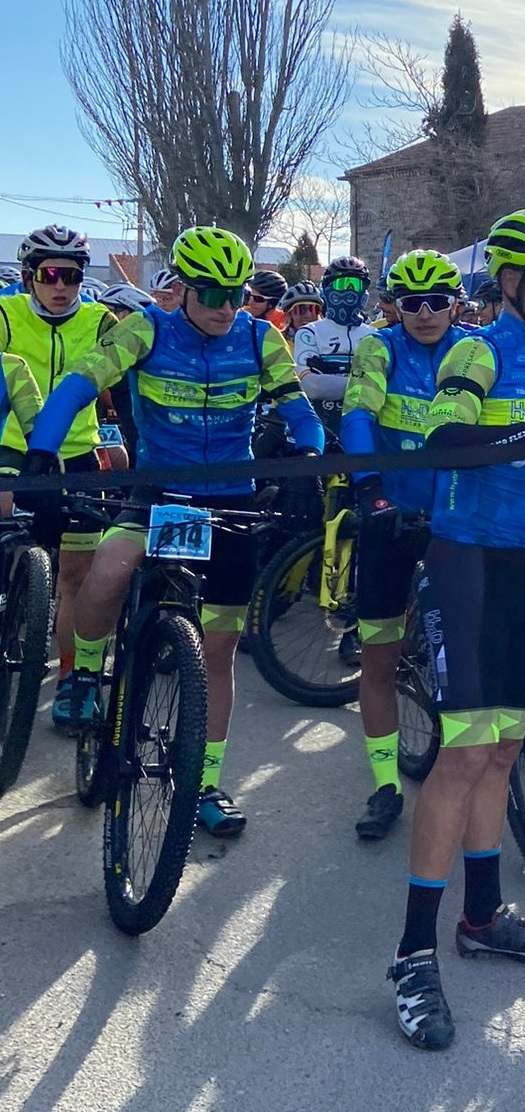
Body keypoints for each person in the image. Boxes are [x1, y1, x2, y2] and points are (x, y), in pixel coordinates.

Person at [386, 208, 525, 1052]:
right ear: (512, 282)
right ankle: (412, 952)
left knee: (508, 750)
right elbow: (445, 435)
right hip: (467, 563)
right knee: (465, 753)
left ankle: (481, 915)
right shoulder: (479, 347)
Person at [18, 225, 324, 836]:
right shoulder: (147, 329)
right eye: (210, 293)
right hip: (162, 493)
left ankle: (205, 781)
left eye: (234, 293)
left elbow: (296, 406)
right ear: (182, 287)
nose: (223, 306)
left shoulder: (262, 337)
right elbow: (80, 385)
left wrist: (310, 458)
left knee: (219, 650)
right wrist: (43, 449)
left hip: (230, 498)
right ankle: (86, 673)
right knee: (107, 569)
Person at [341, 249, 470, 842]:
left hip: (456, 517)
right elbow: (358, 414)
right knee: (379, 655)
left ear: (454, 304)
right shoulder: (379, 347)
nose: (423, 314)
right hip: (390, 512)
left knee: (471, 653)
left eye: (435, 303)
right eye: (410, 303)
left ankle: (470, 774)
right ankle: (385, 783)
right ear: (395, 306)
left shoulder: (474, 348)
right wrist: (369, 488)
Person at [0, 226, 118, 726]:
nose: (61, 285)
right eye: (50, 274)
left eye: (71, 275)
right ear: (30, 277)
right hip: (14, 448)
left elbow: (131, 384)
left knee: (78, 578)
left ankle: (71, 679)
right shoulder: (5, 315)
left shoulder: (100, 321)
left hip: (78, 455)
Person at [293, 256, 378, 432]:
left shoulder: (375, 335)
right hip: (320, 424)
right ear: (327, 290)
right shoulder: (309, 332)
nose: (349, 290)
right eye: (342, 284)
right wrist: (367, 385)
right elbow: (312, 386)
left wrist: (330, 376)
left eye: (356, 285)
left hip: (364, 425)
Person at [242, 269, 289, 333]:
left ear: (272, 303)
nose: (250, 302)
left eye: (258, 299)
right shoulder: (239, 315)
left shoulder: (284, 322)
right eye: (248, 295)